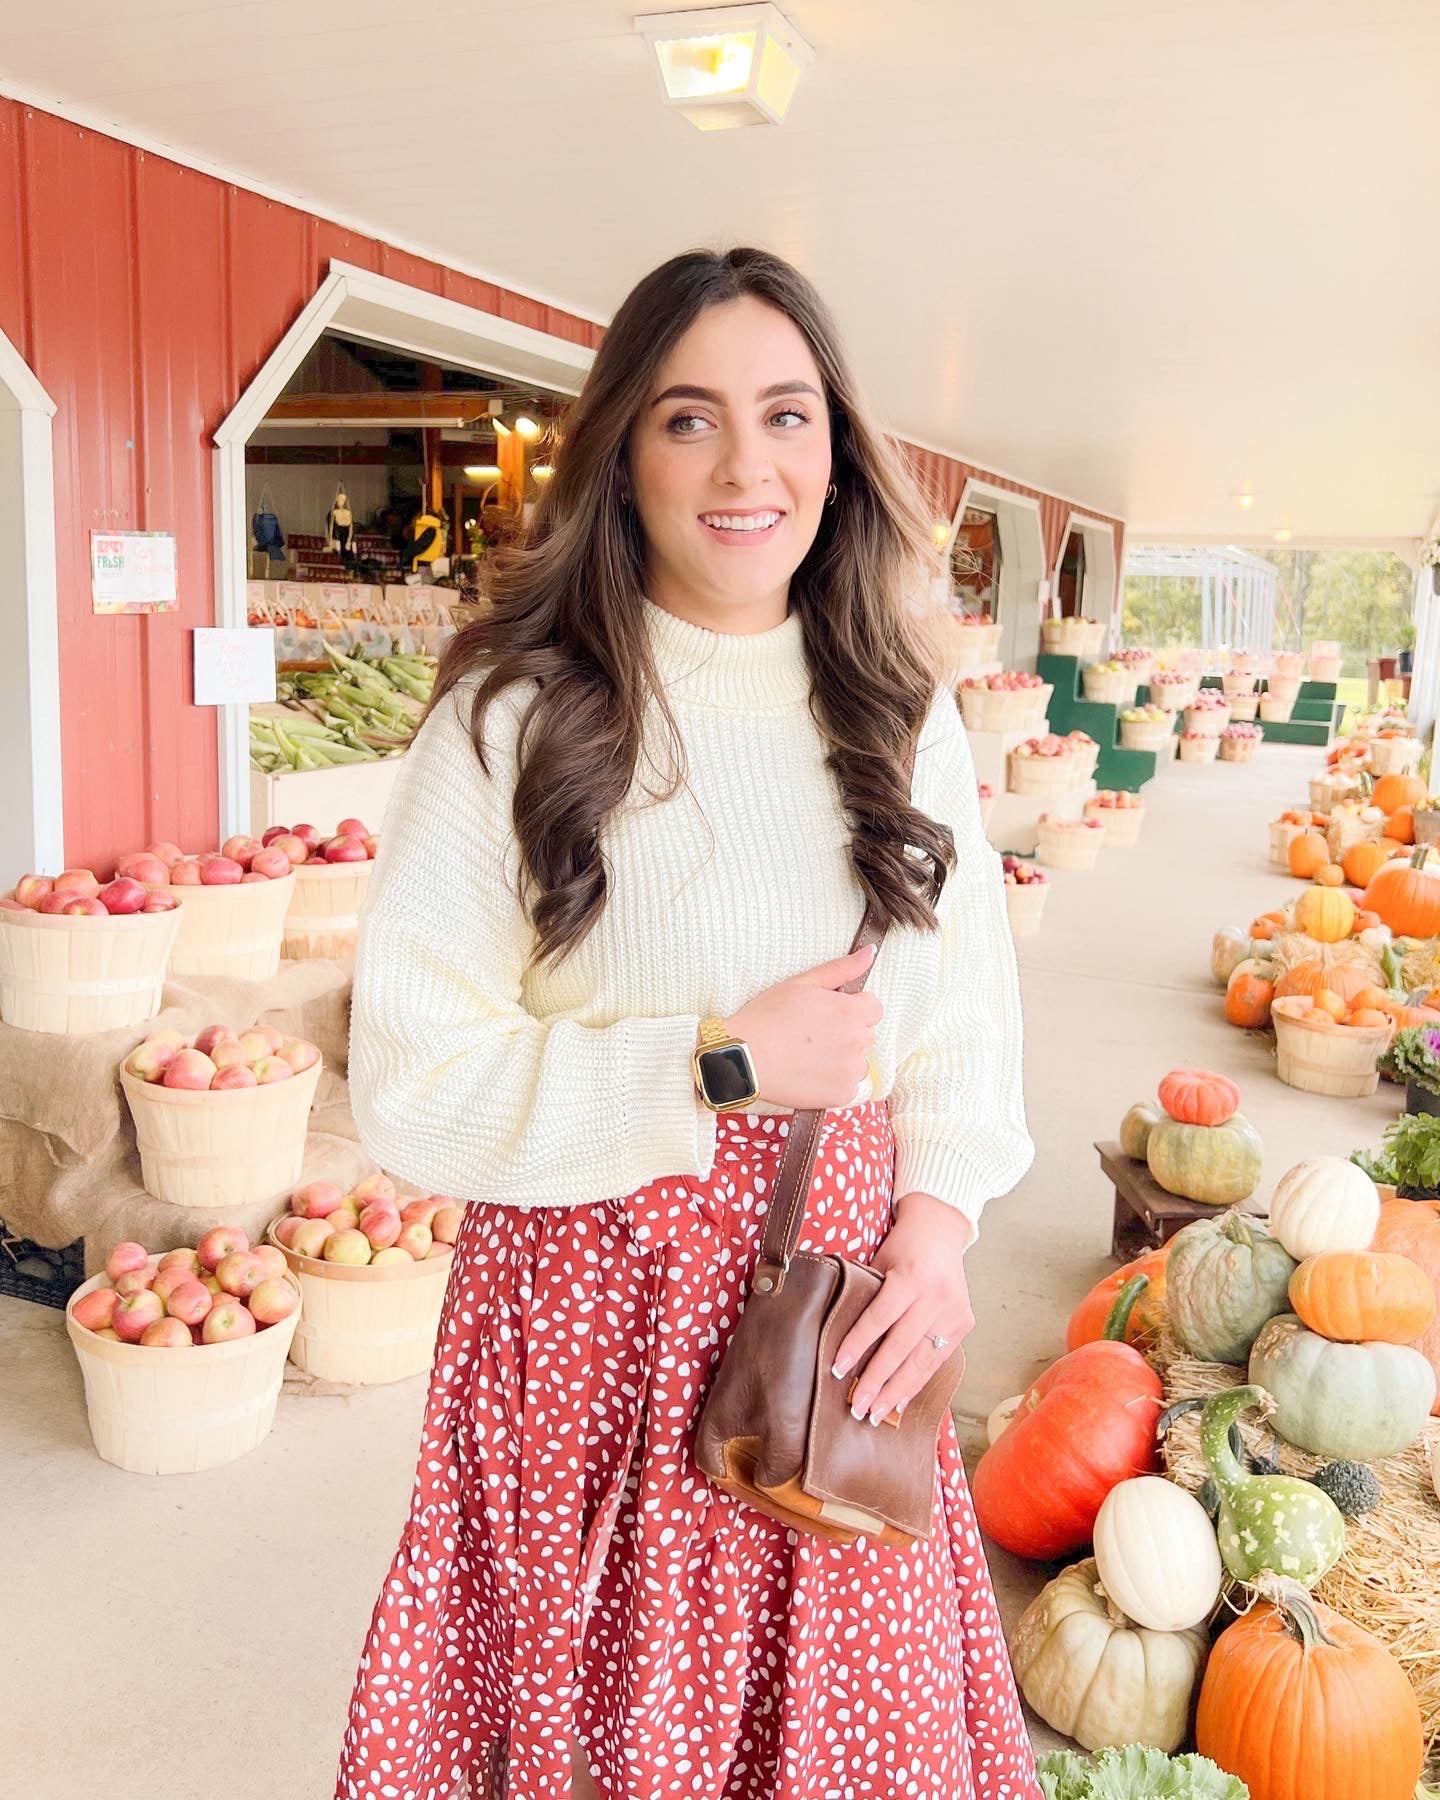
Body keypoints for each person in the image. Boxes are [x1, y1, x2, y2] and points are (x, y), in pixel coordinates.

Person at [335, 247, 1037, 1800]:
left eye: (789, 416)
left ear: (838, 452)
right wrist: (716, 1063)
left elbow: (961, 1027)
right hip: (582, 1336)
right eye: (689, 419)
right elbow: (410, 1085)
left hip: (826, 1340)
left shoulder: (899, 717)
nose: (746, 467)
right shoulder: (513, 718)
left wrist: (937, 1228)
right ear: (622, 455)